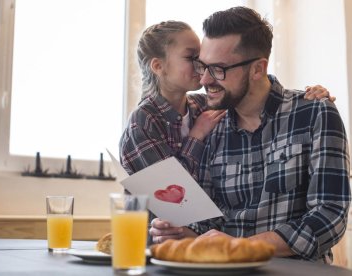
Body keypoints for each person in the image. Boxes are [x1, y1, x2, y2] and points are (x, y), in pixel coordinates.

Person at [149, 7, 350, 264]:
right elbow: (209, 222)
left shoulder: (315, 112)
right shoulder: (210, 126)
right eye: (203, 66)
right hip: (223, 270)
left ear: (258, 69)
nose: (205, 79)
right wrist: (179, 233)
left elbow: (330, 215)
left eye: (219, 69)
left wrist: (240, 246)